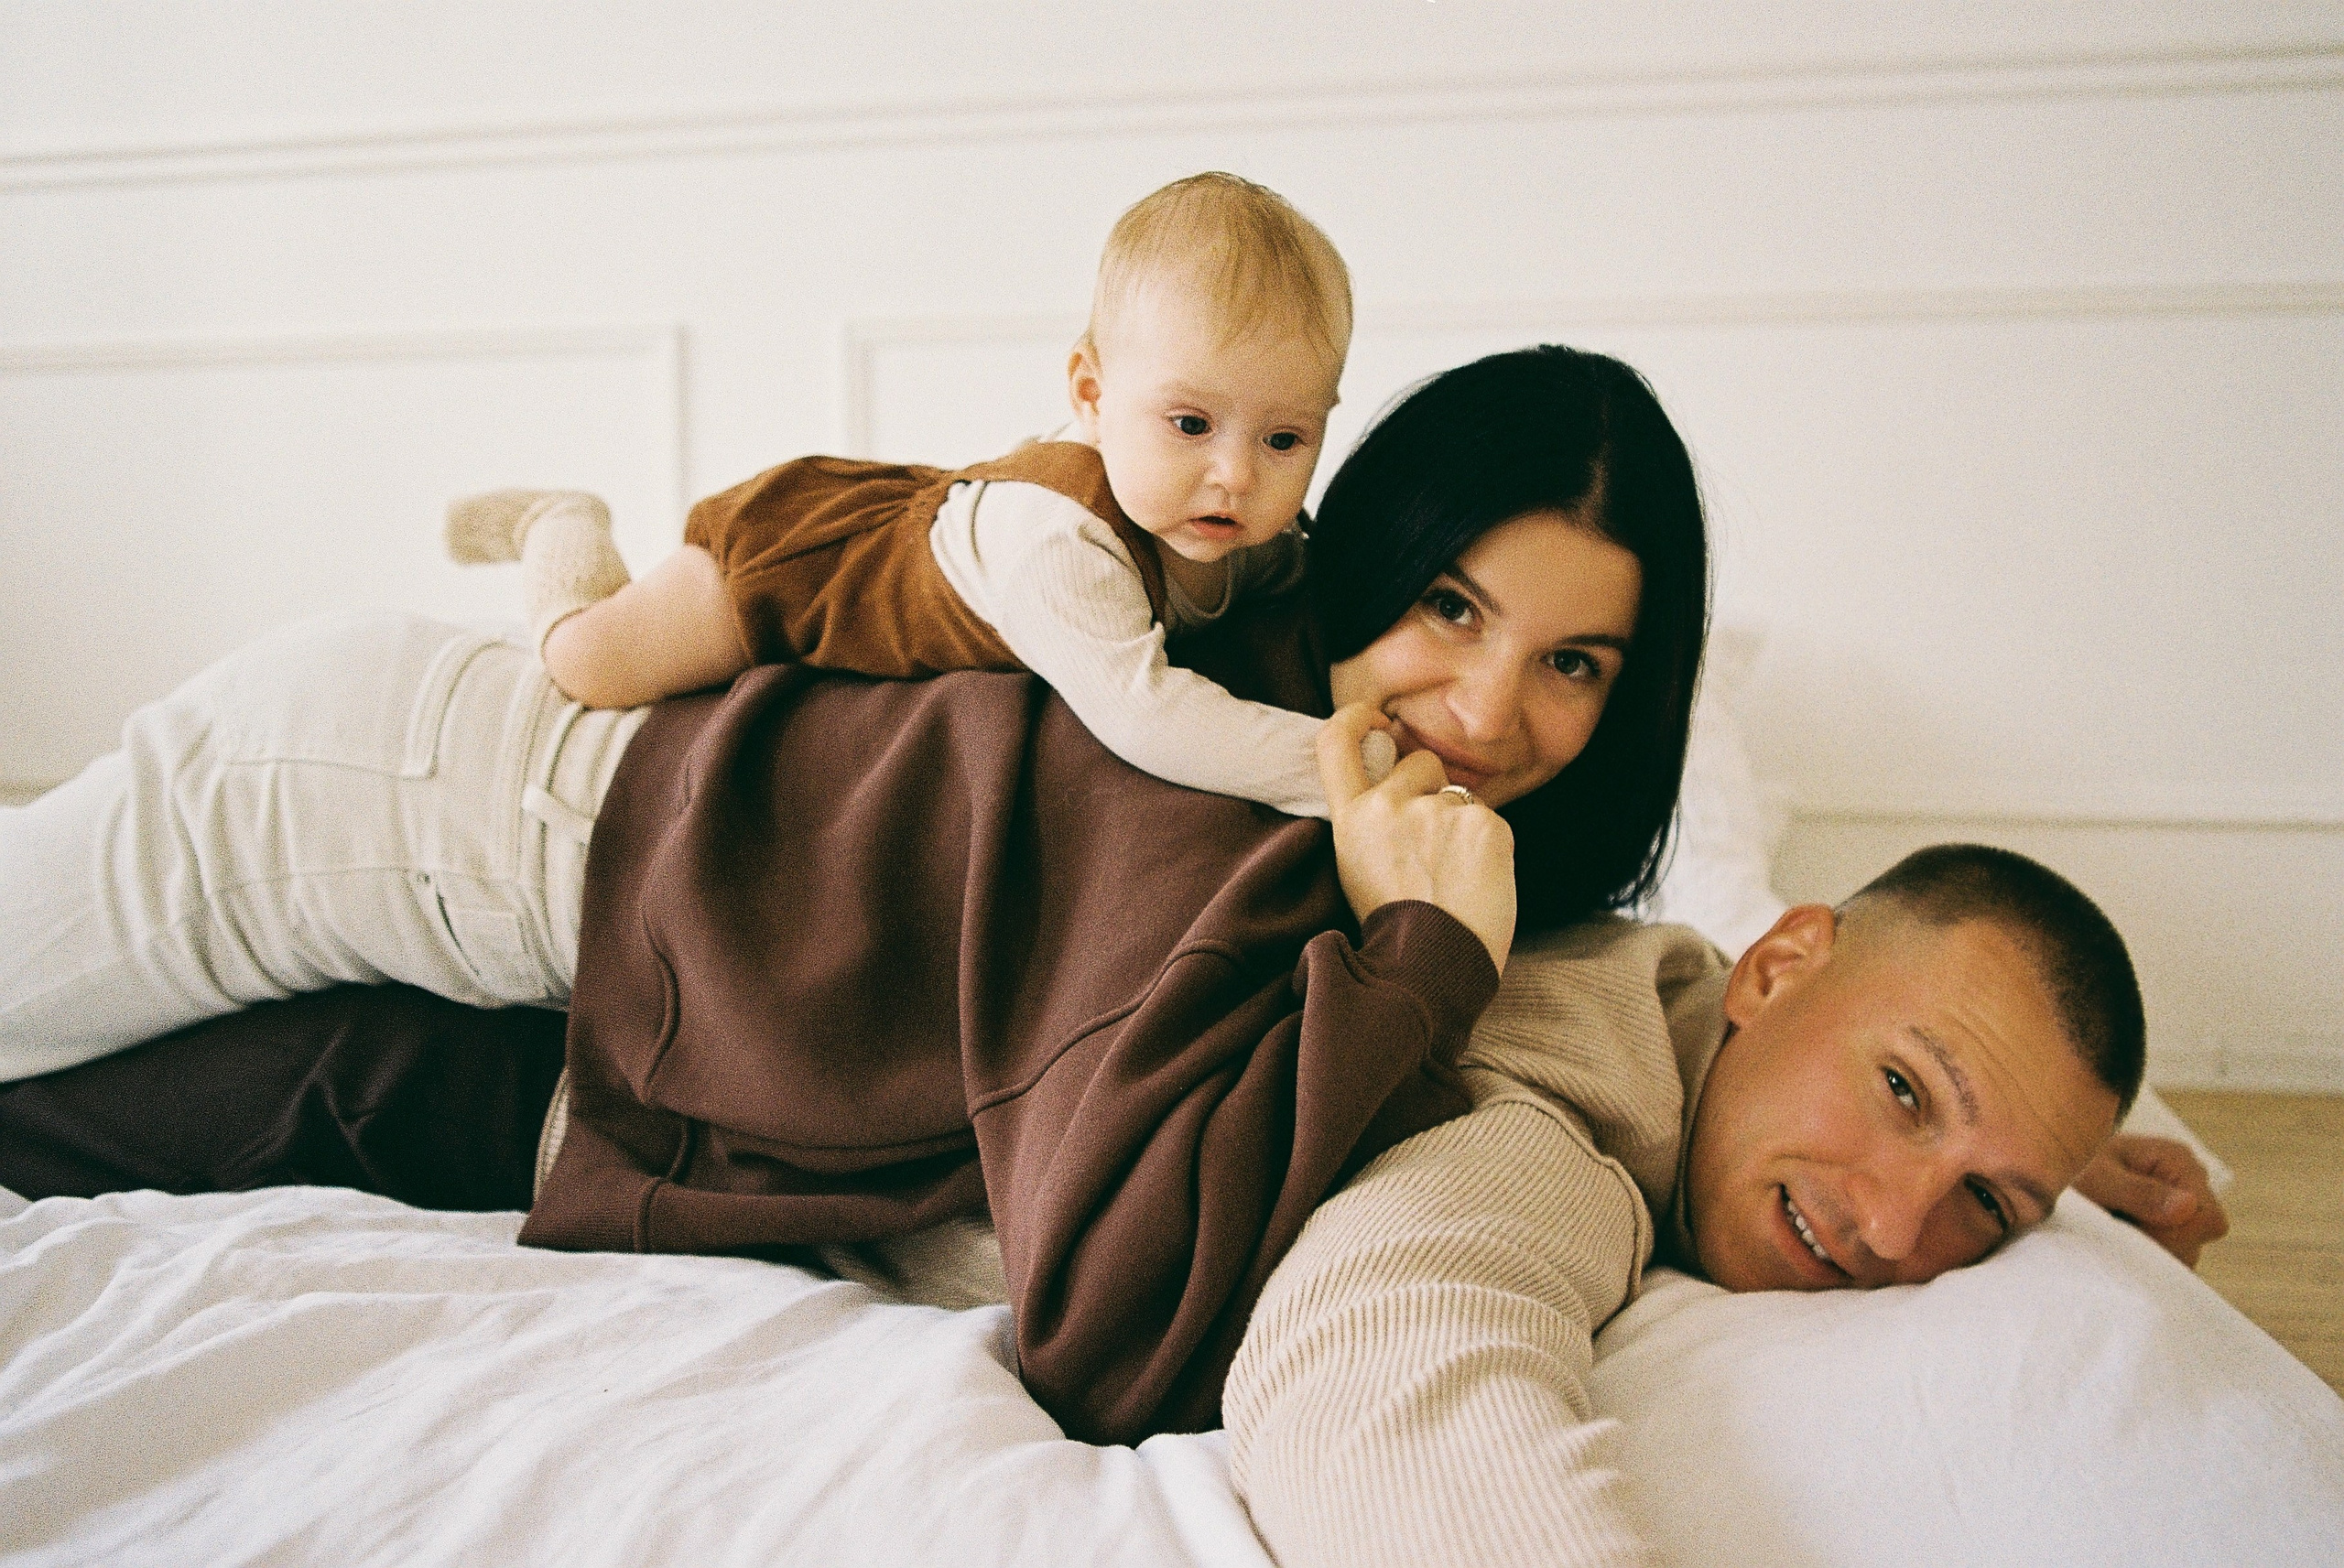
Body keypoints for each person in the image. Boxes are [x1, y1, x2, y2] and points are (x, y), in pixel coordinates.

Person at [0, 344, 2209, 1565]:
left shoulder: (1493, 906)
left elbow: (1712, 999)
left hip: (589, 1015)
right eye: (1450, 607)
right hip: (436, 799)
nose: (1484, 709)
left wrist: (2029, 1162)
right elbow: (1354, 1350)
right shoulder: (1272, 765)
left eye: (1572, 666)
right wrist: (1428, 959)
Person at [449, 170, 1352, 816]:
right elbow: (1150, 719)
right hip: (807, 560)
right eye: (1190, 424)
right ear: (1091, 394)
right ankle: (559, 523)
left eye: (1284, 439)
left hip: (918, 515)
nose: (1238, 474)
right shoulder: (1057, 543)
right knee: (589, 664)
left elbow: (1309, 582)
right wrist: (1353, 767)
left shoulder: (1240, 528)